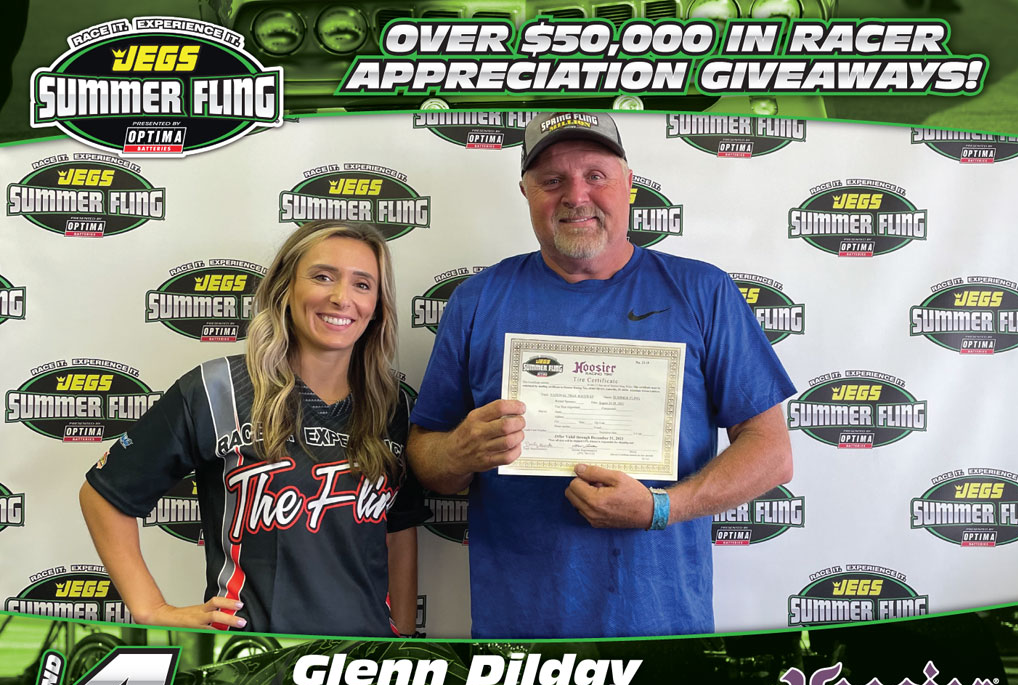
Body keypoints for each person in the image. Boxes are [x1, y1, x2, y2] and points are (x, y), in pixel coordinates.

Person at [407, 112, 795, 638]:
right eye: (552, 180)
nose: (576, 196)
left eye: (596, 176)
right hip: (519, 629)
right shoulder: (477, 299)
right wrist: (458, 452)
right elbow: (425, 456)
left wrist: (661, 507)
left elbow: (772, 452)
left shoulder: (703, 292)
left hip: (663, 625)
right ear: (525, 193)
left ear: (628, 184)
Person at [80, 221, 427, 637]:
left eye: (362, 284)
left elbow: (399, 530)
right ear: (285, 288)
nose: (341, 298)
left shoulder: (393, 407)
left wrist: (402, 638)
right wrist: (151, 609)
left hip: (361, 661)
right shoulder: (217, 389)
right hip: (250, 657)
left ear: (378, 305)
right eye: (322, 277)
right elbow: (104, 494)